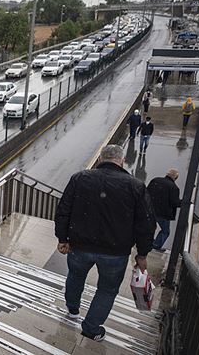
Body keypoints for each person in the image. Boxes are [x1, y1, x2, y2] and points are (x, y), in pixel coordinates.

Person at [54, 144, 155, 342]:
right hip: (115, 252)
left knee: (75, 276)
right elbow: (146, 224)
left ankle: (73, 309)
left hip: (80, 246)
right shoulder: (135, 186)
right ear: (122, 161)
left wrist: (62, 238)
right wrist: (142, 254)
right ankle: (91, 328)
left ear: (100, 159)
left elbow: (63, 210)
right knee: (107, 289)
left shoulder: (80, 178)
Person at [148, 169, 182, 252]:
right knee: (165, 231)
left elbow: (146, 192)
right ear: (176, 177)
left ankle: (147, 242)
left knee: (149, 227)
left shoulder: (155, 180)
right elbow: (174, 203)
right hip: (163, 214)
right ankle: (156, 245)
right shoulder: (174, 188)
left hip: (150, 209)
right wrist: (183, 202)